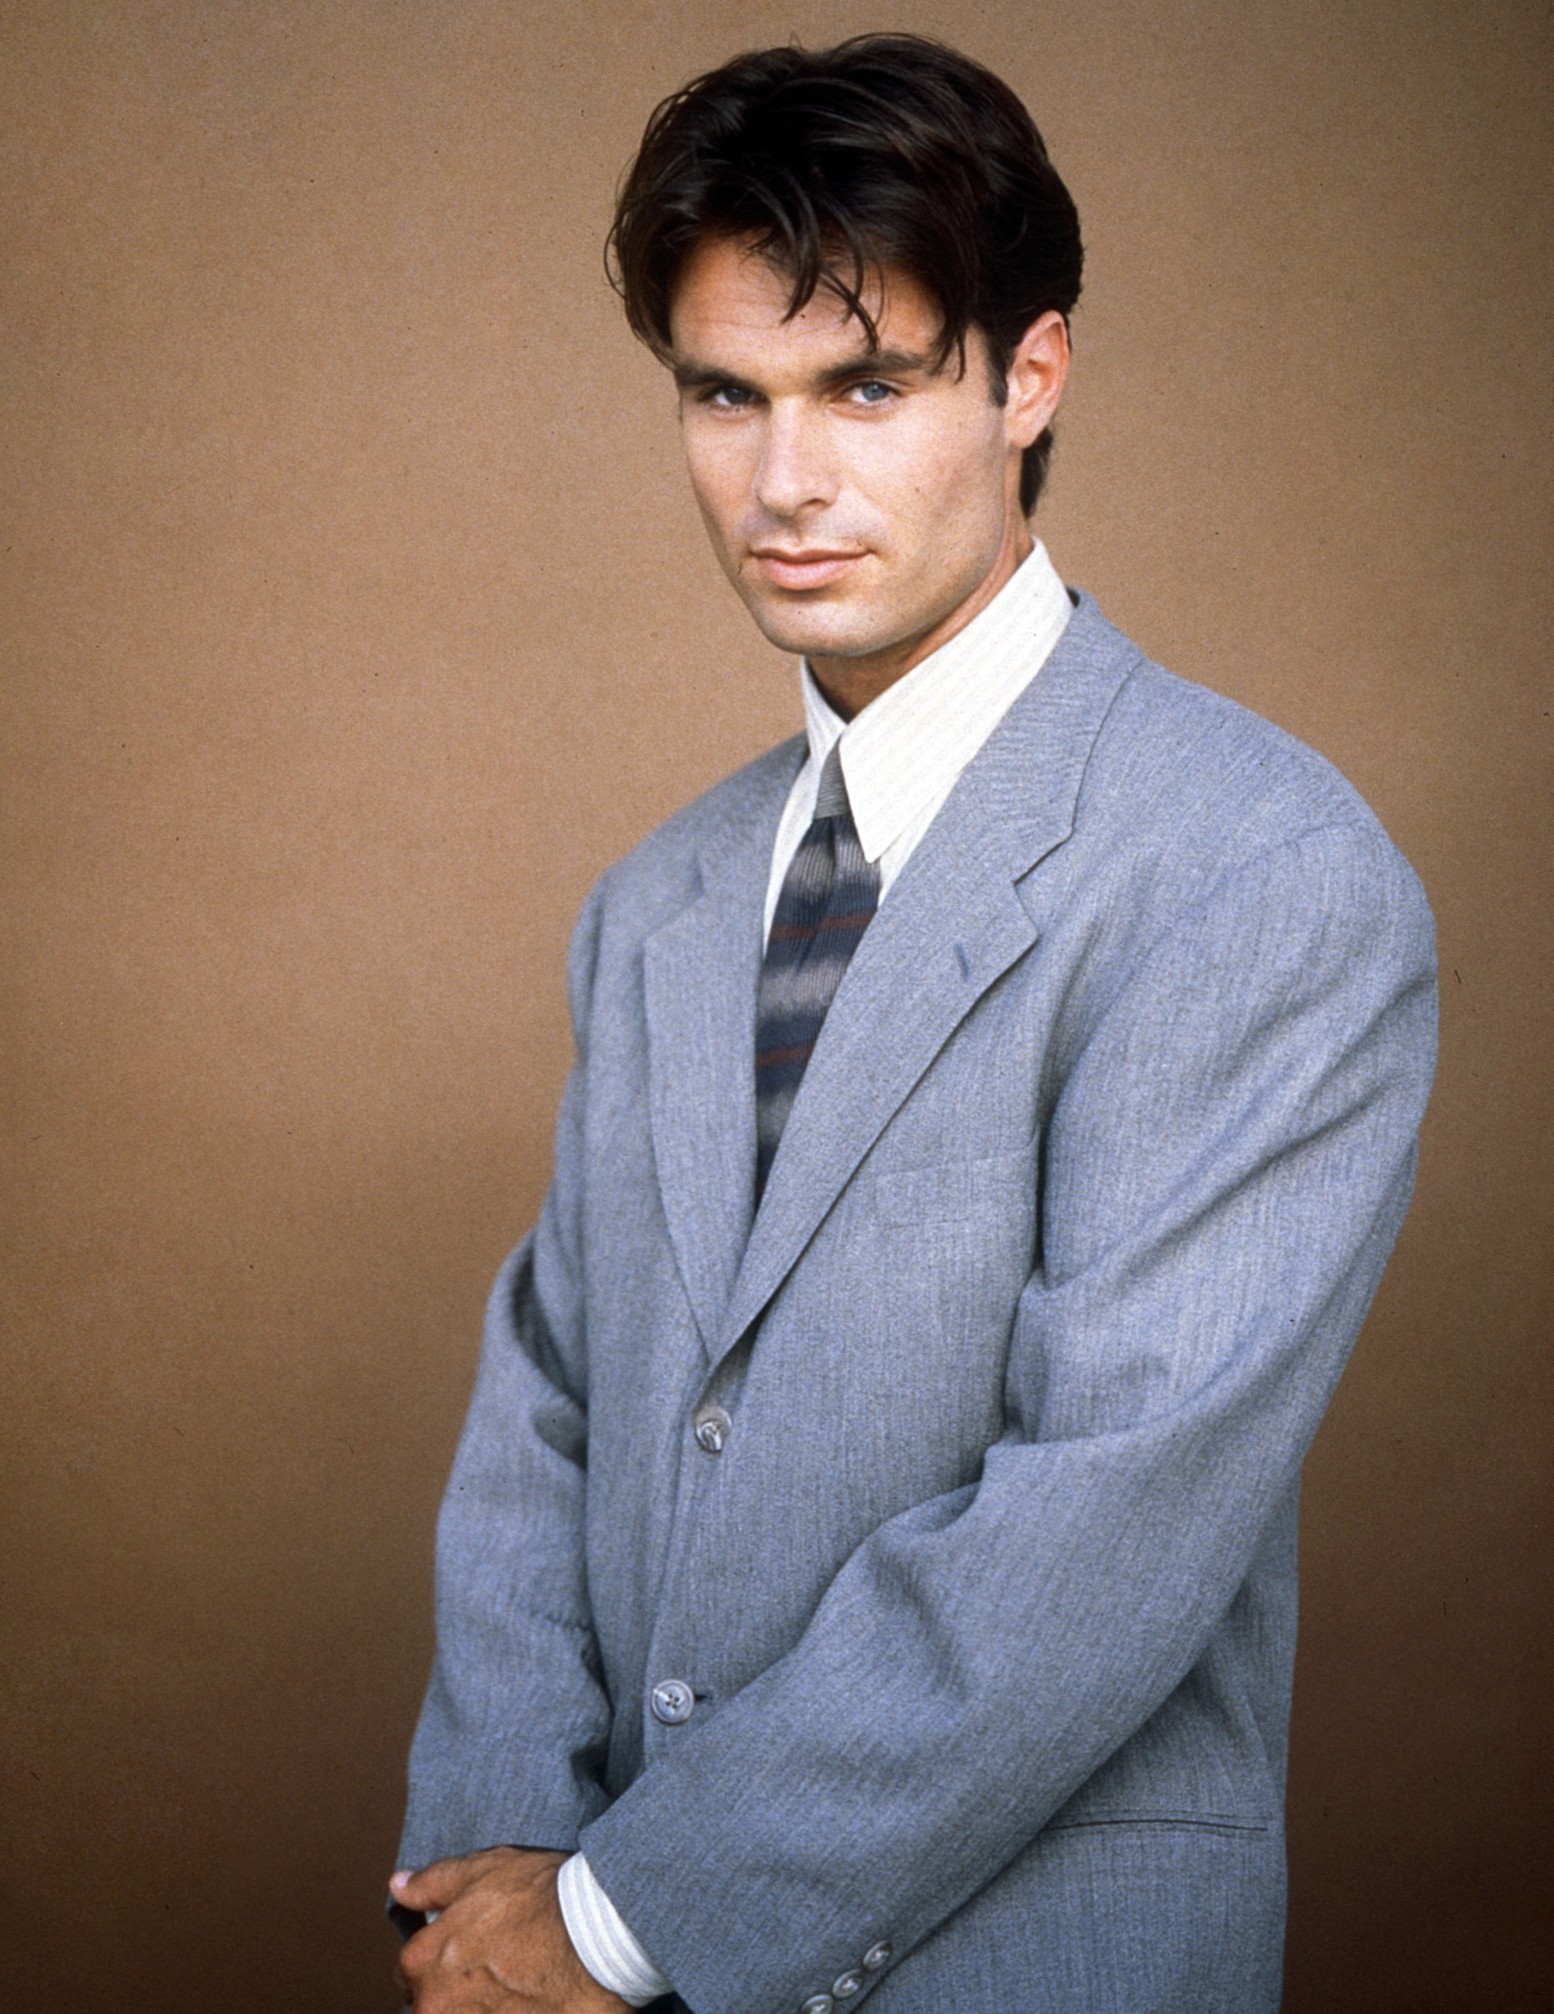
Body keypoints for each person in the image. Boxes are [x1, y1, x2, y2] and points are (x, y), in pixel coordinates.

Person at [389, 33, 1436, 2014]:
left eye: (869, 385)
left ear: (1028, 372)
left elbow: (1097, 1525)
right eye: (727, 393)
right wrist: (502, 1867)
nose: (788, 479)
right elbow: (551, 1398)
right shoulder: (661, 902)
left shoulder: (1260, 870)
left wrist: (620, 1920)